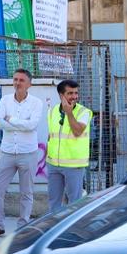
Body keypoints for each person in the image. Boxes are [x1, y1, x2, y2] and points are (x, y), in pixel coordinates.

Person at [0, 69, 43, 238]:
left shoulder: (36, 103)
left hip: (28, 152)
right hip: (7, 151)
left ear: (29, 84)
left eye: (21, 80)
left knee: (26, 191)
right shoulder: (5, 100)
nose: (17, 83)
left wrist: (10, 120)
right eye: (15, 79)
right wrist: (16, 123)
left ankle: (23, 225)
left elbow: (32, 126)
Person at [45, 78, 93, 208]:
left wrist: (69, 113)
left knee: (74, 203)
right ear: (61, 95)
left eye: (76, 93)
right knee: (53, 202)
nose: (74, 96)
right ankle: (54, 227)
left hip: (74, 164)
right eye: (70, 93)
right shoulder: (52, 111)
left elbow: (77, 131)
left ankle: (73, 227)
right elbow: (51, 136)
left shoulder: (84, 112)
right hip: (53, 164)